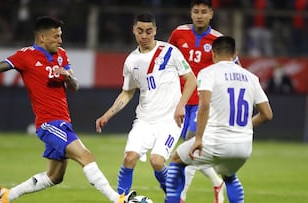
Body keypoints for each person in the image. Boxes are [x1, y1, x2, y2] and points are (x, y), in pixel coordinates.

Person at [0, 16, 135, 203]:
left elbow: (74, 87)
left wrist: (68, 77)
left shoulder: (61, 54)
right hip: (48, 123)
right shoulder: (25, 56)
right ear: (42, 37)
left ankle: (7, 195)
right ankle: (117, 199)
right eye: (56, 36)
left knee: (55, 177)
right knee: (86, 155)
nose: (60, 40)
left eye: (60, 36)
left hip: (64, 122)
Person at [95, 13, 197, 197]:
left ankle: (172, 196)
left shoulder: (169, 51)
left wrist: (181, 105)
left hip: (170, 121)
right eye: (140, 31)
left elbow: (191, 80)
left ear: (155, 31)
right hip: (144, 121)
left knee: (157, 161)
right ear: (134, 30)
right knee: (129, 158)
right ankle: (121, 200)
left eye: (149, 31)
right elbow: (127, 92)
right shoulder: (131, 61)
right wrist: (107, 115)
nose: (144, 36)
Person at [165, 36, 273, 203]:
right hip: (243, 147)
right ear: (235, 54)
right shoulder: (251, 77)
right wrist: (245, 127)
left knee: (176, 159)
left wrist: (199, 138)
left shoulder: (208, 73)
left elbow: (204, 105)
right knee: (229, 175)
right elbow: (267, 114)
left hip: (216, 142)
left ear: (214, 54)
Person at [168, 0, 226, 202]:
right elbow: (168, 61)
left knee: (190, 145)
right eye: (196, 11)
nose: (199, 15)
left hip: (204, 102)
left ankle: (181, 196)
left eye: (204, 12)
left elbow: (231, 67)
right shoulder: (178, 34)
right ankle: (217, 181)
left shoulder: (218, 39)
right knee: (189, 147)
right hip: (181, 101)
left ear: (211, 14)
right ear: (191, 13)